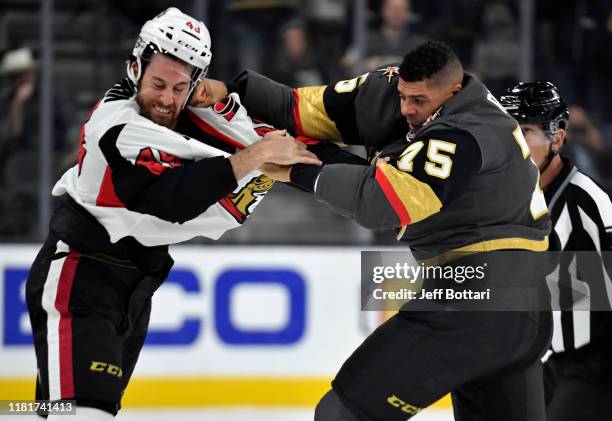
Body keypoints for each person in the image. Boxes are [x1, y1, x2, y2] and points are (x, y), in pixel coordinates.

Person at [199, 41, 552, 420]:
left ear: (453, 91)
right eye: (403, 96)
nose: (407, 110)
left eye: (419, 101)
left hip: (476, 301)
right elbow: (297, 108)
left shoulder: (464, 133)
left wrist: (297, 172)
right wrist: (231, 89)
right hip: (525, 309)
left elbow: (383, 202)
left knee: (343, 414)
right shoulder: (389, 91)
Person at [24, 8, 324, 421]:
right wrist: (254, 158)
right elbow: (173, 201)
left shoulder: (195, 113)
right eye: (157, 83)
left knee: (61, 409)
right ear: (135, 68)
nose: (166, 99)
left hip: (136, 285)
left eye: (179, 87)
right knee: (83, 413)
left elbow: (286, 135)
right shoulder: (116, 125)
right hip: (81, 274)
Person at [501, 82, 612, 421]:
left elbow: (588, 310)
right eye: (509, 131)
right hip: (559, 361)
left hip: (596, 365)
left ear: (558, 138)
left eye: (526, 131)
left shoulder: (581, 205)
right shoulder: (523, 198)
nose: (515, 143)